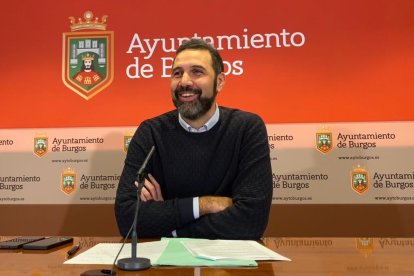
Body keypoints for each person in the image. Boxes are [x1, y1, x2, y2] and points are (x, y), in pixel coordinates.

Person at [115, 39, 272, 239]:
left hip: (229, 267)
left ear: (220, 81)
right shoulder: (150, 133)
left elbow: (251, 221)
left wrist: (168, 221)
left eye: (197, 72)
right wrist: (205, 205)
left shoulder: (247, 129)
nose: (185, 82)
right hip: (164, 266)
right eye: (177, 73)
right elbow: (127, 219)